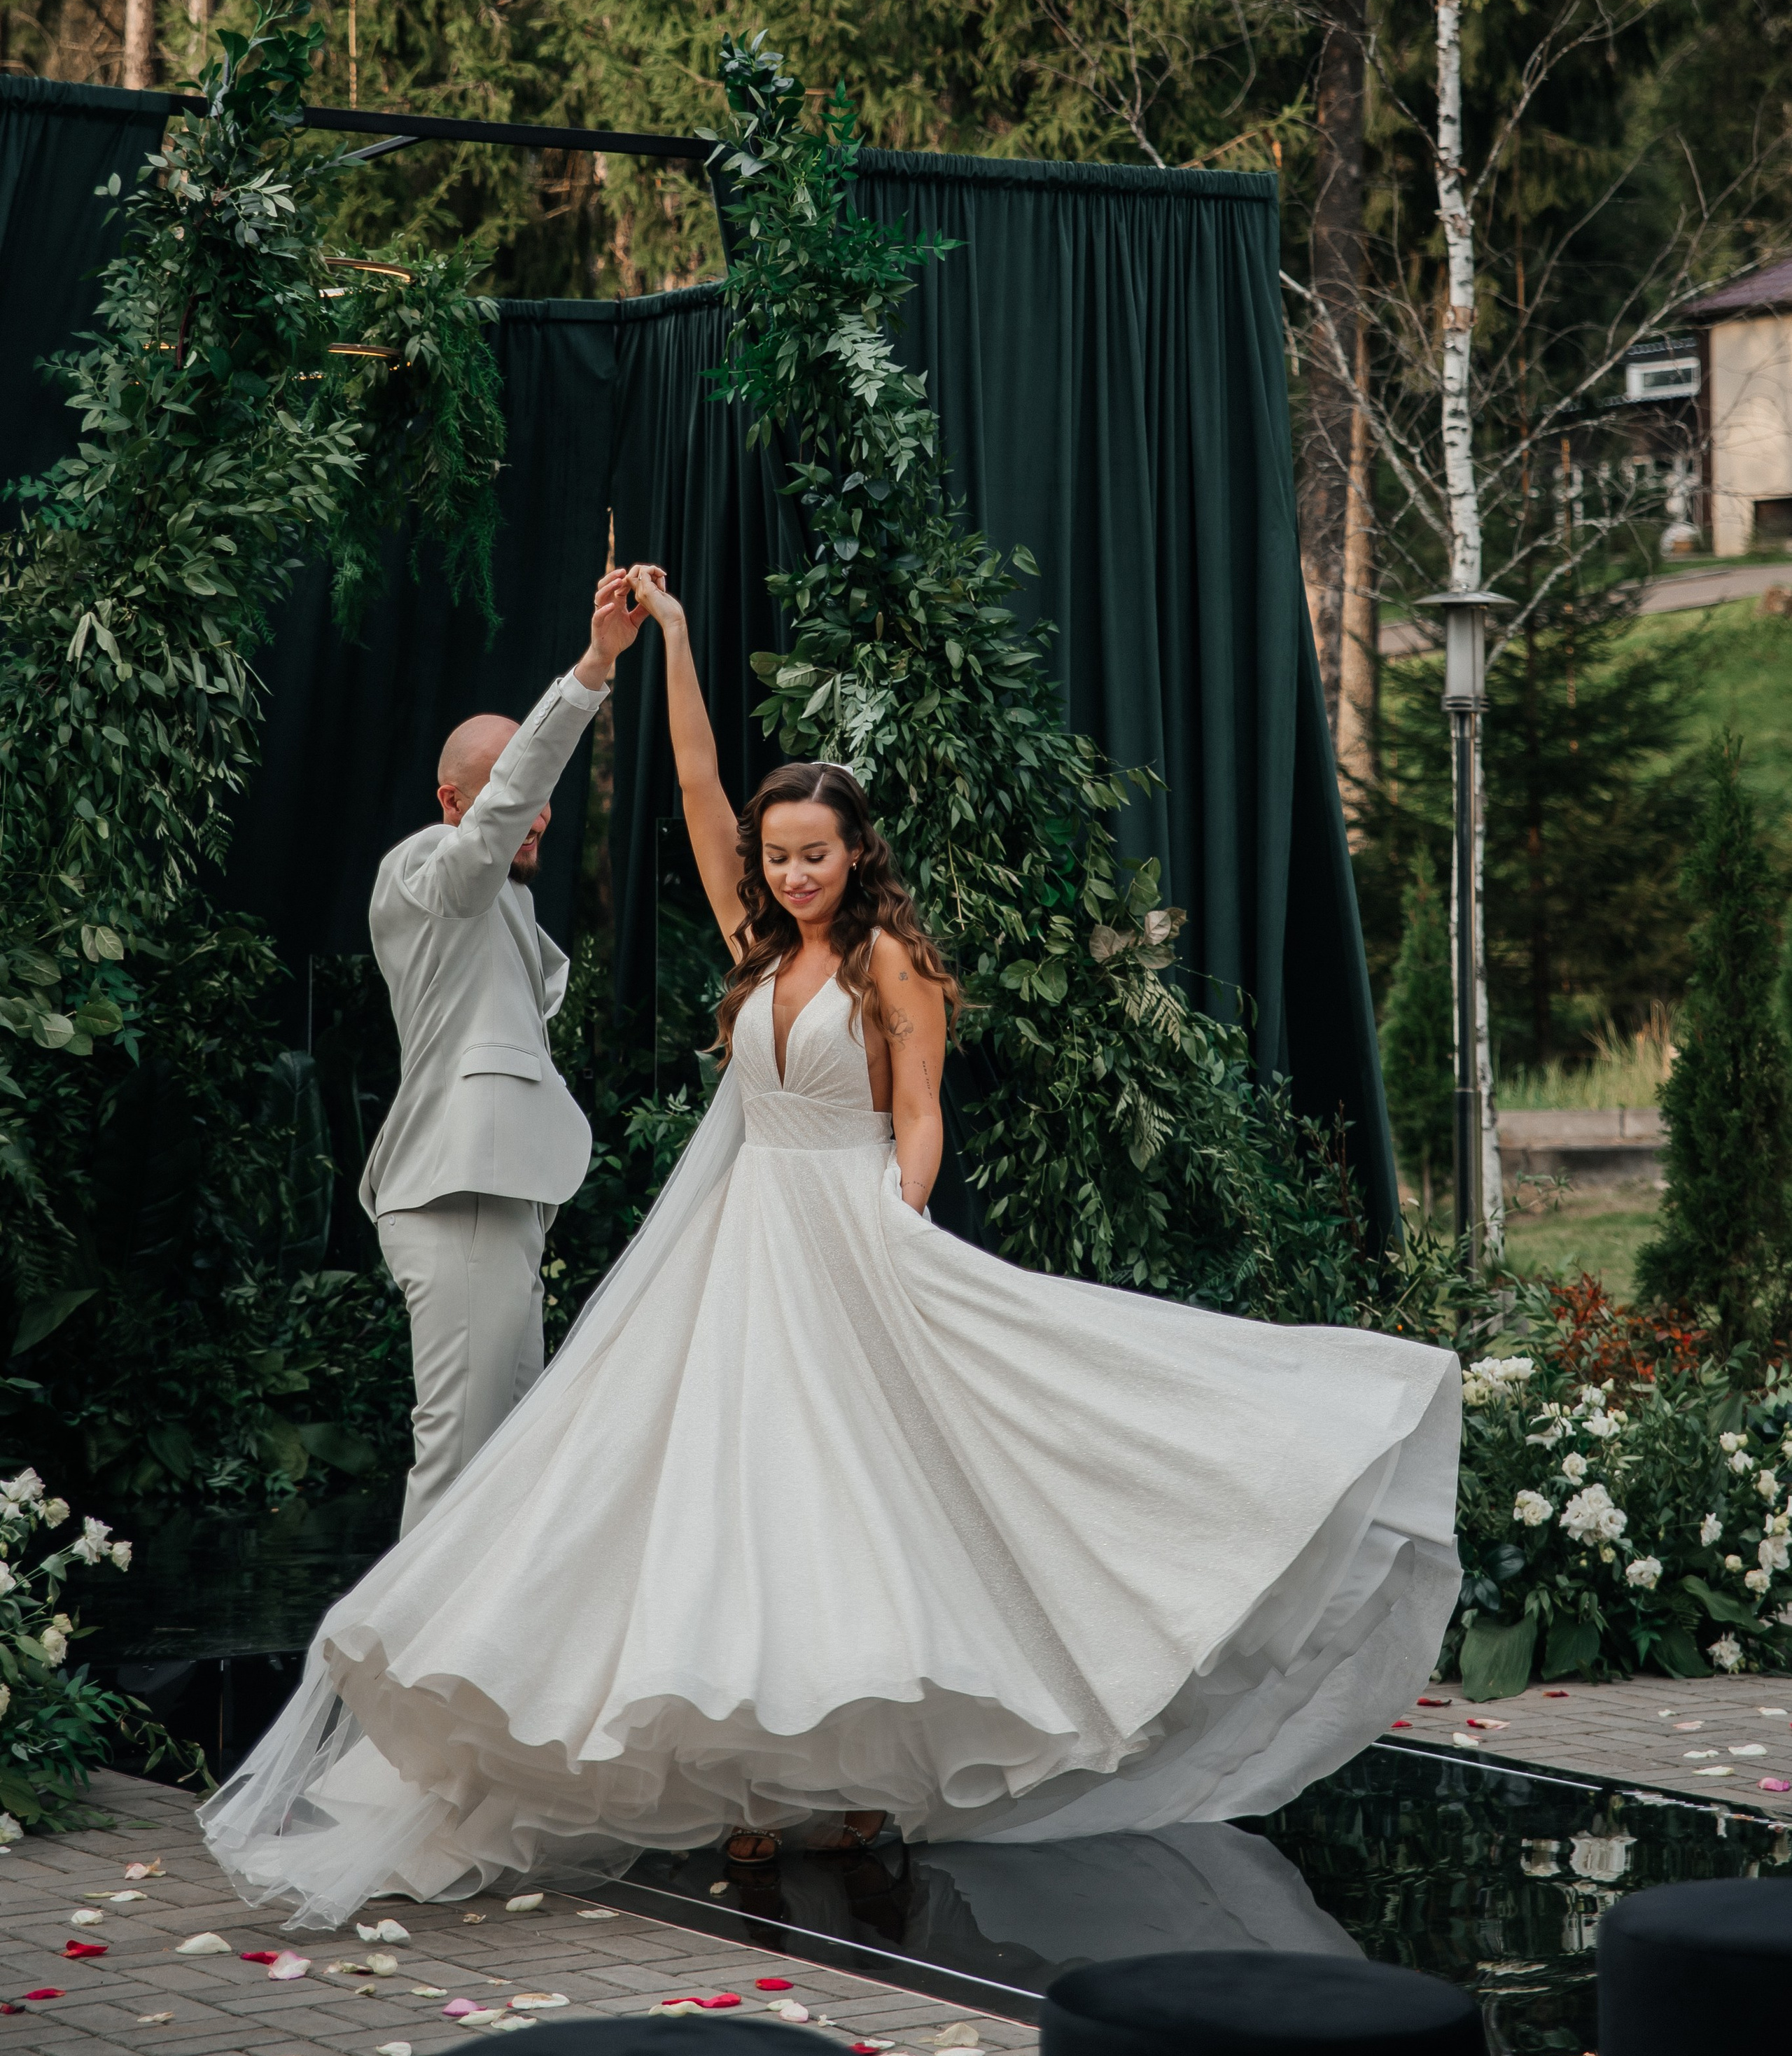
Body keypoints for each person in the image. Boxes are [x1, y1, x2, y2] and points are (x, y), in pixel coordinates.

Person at [200, 565, 1460, 1929]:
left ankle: (860, 1767)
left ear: (855, 854)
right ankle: (750, 1773)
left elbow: (916, 1118)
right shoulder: (735, 939)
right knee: (742, 1502)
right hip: (738, 1247)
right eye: (779, 851)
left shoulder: (890, 967)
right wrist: (670, 642)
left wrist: (895, 1218)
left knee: (852, 1495)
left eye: (815, 850)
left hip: (846, 1232)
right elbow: (691, 790)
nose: (794, 869)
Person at [360, 571, 641, 1534]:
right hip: (457, 1195)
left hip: (505, 1201)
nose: (543, 813)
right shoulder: (426, 873)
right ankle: (390, 1690)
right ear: (455, 802)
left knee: (510, 1476)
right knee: (460, 1470)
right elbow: (503, 809)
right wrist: (595, 668)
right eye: (517, 793)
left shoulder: (505, 907)